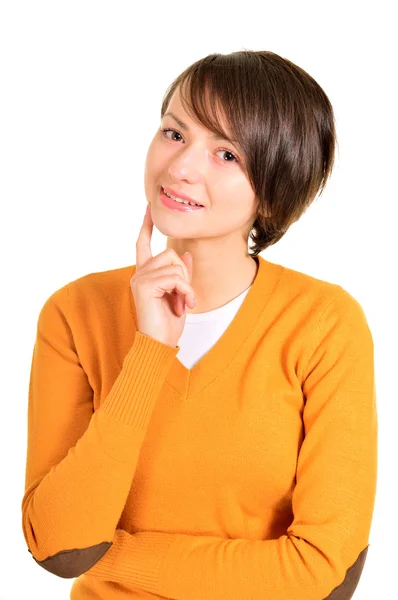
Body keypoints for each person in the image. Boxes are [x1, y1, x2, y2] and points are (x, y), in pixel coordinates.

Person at [21, 50, 377, 600]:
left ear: (276, 188)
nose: (182, 166)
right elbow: (60, 547)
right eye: (174, 132)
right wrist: (148, 352)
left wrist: (116, 556)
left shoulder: (324, 324)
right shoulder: (76, 312)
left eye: (227, 153)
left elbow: (324, 574)